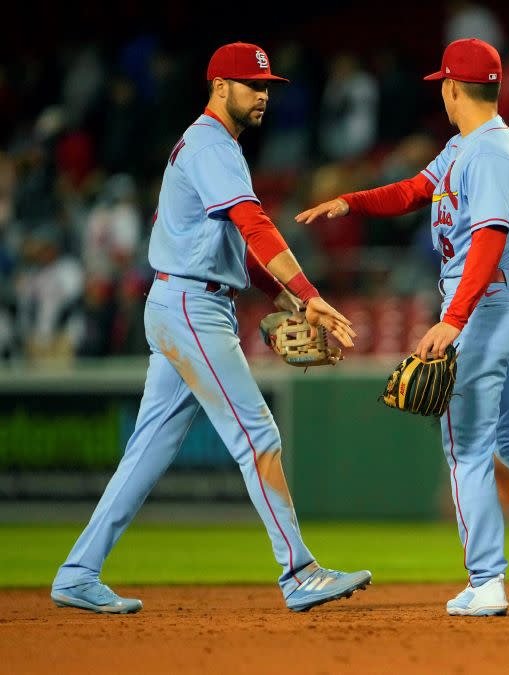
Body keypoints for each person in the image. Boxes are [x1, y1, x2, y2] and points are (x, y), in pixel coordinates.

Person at [295, 38, 509, 617]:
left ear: (454, 88)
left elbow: (489, 237)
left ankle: (487, 581)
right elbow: (411, 190)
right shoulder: (464, 147)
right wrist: (351, 202)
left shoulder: (492, 152)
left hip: (487, 309)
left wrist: (454, 320)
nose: (442, 96)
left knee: (465, 448)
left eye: (443, 87)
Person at [51, 43, 371, 614]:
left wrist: (282, 296)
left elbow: (235, 243)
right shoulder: (210, 144)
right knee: (258, 435)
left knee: (146, 451)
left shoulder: (212, 147)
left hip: (184, 301)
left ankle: (77, 572)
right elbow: (253, 222)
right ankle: (299, 572)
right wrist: (308, 294)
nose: (264, 95)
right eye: (253, 85)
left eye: (268, 86)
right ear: (220, 85)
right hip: (192, 306)